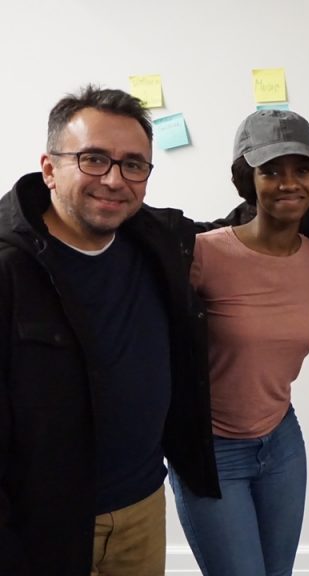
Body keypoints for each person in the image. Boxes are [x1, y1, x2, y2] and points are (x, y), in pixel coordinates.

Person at [0, 86, 219, 576]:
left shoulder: (157, 241)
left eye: (134, 164)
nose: (115, 180)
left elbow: (239, 228)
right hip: (45, 521)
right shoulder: (10, 268)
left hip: (142, 507)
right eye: (94, 159)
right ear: (50, 167)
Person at [167, 110, 309, 576]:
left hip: (281, 441)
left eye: (301, 170)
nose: (288, 183)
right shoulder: (205, 253)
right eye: (271, 171)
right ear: (247, 179)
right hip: (212, 450)